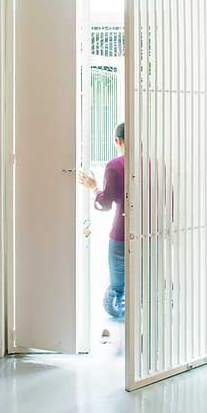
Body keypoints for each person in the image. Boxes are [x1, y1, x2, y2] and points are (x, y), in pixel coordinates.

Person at [78, 123, 125, 322]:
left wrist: (94, 188)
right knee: (144, 283)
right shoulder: (152, 163)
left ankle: (122, 307)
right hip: (149, 234)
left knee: (116, 289)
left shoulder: (115, 165)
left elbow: (105, 204)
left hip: (122, 236)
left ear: (117, 141)